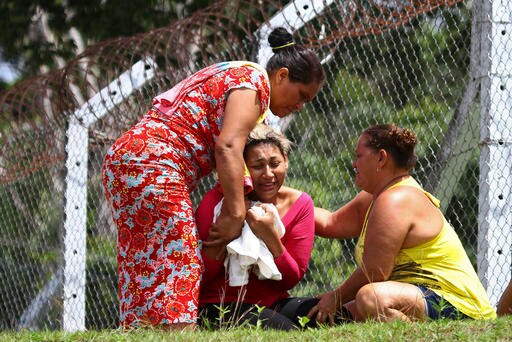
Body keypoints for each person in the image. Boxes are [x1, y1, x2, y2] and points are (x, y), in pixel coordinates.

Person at [101, 26, 324, 329]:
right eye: (301, 96)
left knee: (144, 259)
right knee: (181, 260)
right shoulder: (254, 86)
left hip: (126, 159)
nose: (299, 106)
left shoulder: (239, 74)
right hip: (155, 162)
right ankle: (178, 332)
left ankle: (140, 330)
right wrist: (234, 212)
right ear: (282, 76)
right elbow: (229, 145)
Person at [308, 124, 496, 324]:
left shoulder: (396, 199)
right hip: (417, 298)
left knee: (370, 298)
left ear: (381, 158)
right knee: (339, 314)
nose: (354, 164)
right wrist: (281, 202)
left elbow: (375, 272)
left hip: (457, 305)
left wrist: (335, 297)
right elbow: (331, 222)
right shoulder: (376, 197)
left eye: (359, 156)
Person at [196, 124, 316, 330]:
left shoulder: (301, 204)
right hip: (218, 305)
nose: (268, 174)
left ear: (286, 162)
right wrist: (228, 235)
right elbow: (198, 277)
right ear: (242, 168)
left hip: (272, 302)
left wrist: (270, 236)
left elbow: (290, 279)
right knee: (288, 333)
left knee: (333, 315)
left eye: (275, 163)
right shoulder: (216, 202)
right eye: (258, 166)